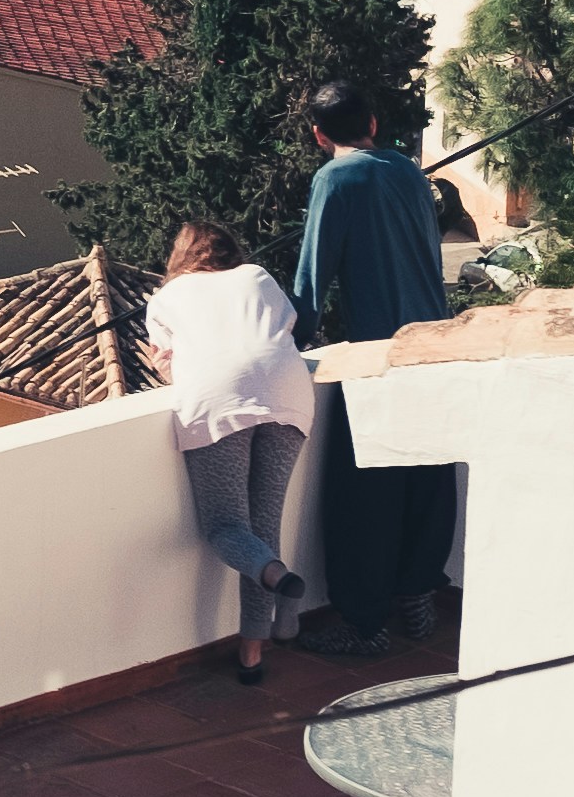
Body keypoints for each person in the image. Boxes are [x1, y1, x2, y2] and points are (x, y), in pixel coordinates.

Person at [292, 80, 457, 656]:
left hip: (379, 351)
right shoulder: (408, 171)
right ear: (374, 123)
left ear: (318, 134)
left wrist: (294, 337)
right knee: (426, 478)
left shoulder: (333, 179)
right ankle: (417, 592)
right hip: (435, 343)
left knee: (366, 494)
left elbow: (313, 276)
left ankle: (364, 625)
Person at [141, 221, 317, 686]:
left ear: (180, 255)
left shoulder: (166, 298)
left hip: (218, 400)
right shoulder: (257, 276)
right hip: (288, 392)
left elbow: (169, 366)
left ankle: (277, 578)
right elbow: (286, 328)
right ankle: (253, 648)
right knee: (264, 523)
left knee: (225, 527)